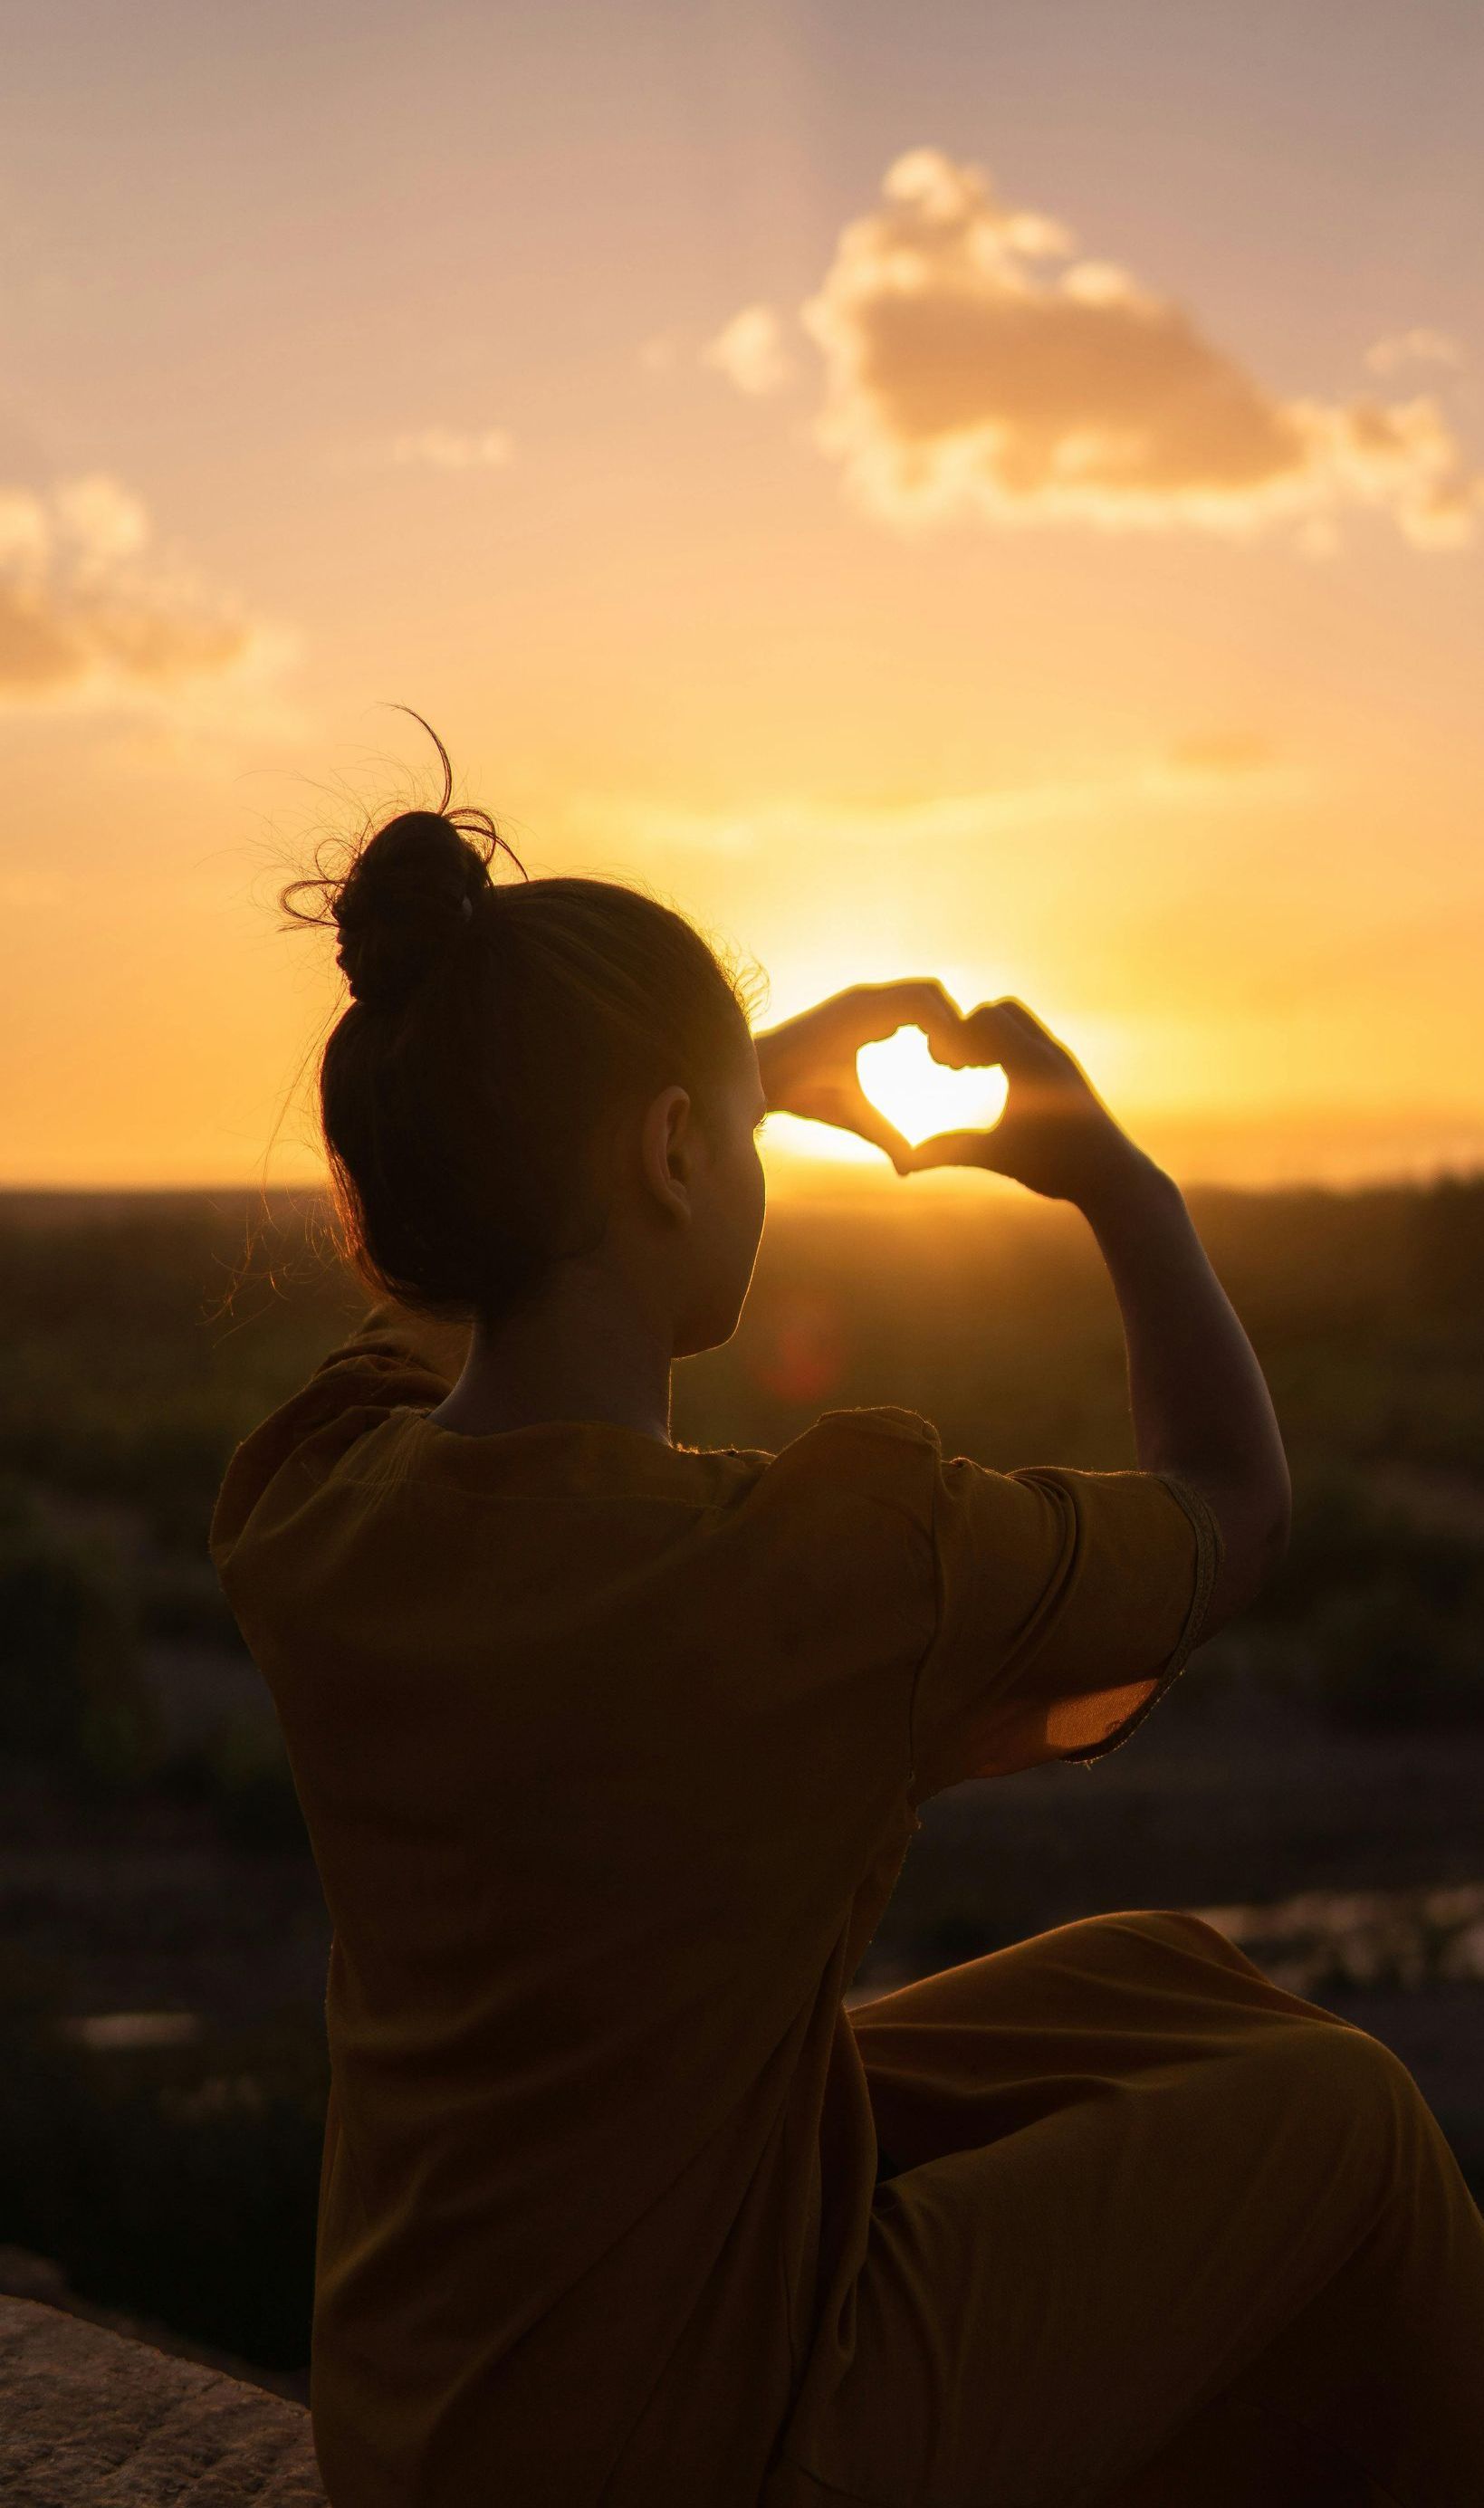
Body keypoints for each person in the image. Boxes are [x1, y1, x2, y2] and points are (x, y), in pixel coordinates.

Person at [211, 730, 1484, 2508]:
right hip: (715, 2447)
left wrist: (710, 1083)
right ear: (670, 1151)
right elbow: (1234, 1511)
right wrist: (1121, 1179)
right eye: (731, 1129)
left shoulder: (314, 1499)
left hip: (433, 2420)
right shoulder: (817, 1564)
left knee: (1156, 1977)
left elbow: (444, 1299)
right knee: (1342, 2119)